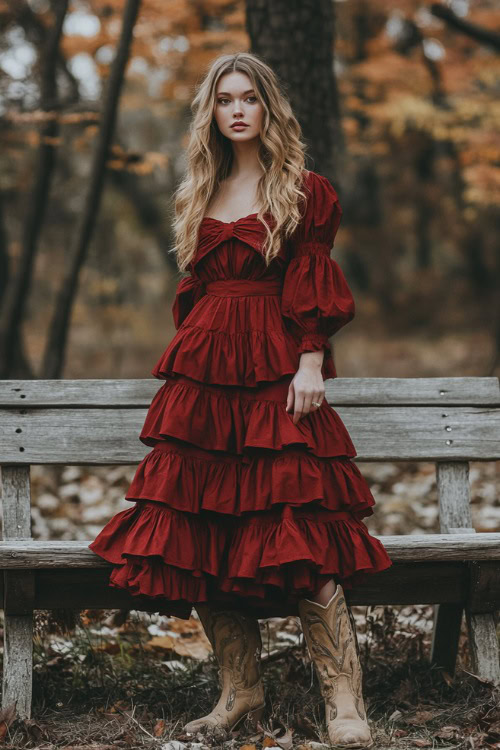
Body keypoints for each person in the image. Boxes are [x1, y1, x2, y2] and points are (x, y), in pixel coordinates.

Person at [89, 51, 392, 749]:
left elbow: (312, 281)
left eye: (247, 98)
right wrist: (195, 369)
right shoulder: (199, 188)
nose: (235, 110)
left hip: (276, 372)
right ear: (211, 112)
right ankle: (240, 692)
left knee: (303, 530)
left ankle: (343, 701)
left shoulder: (304, 190)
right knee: (201, 537)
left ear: (268, 108)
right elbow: (194, 293)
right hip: (206, 383)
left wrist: (310, 358)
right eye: (224, 99)